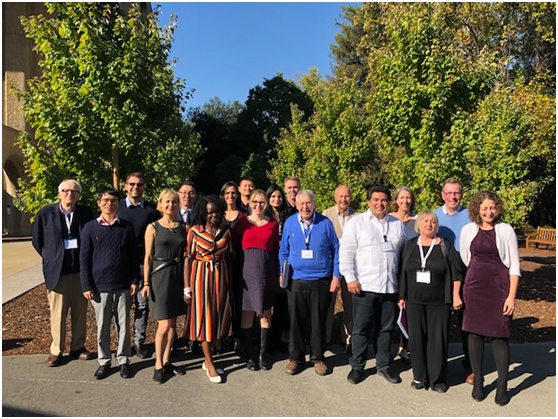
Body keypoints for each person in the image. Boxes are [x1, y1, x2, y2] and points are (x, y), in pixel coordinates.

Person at [340, 185, 406, 385]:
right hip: (364, 286)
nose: (380, 203)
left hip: (389, 287)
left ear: (389, 202)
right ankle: (357, 366)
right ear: (368, 201)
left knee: (386, 329)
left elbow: (403, 255)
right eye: (375, 200)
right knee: (361, 329)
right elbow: (346, 253)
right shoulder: (356, 223)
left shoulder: (397, 225)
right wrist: (350, 278)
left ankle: (383, 365)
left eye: (384, 200)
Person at [459, 191, 520, 406]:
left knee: (500, 336)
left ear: (497, 208)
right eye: (484, 208)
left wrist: (511, 297)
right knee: (474, 334)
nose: (488, 212)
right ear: (477, 209)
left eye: (492, 207)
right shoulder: (468, 230)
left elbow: (515, 266)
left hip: (499, 289)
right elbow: (466, 259)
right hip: (474, 288)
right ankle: (478, 380)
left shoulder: (506, 230)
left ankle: (502, 385)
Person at [398, 211, 463, 393]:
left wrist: (456, 296)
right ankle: (419, 376)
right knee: (416, 339)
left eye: (433, 222)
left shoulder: (444, 245)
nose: (429, 224)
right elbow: (402, 272)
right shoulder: (410, 245)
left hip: (439, 302)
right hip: (414, 301)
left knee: (438, 340)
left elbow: (456, 273)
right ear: (418, 225)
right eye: (425, 221)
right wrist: (401, 297)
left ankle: (437, 379)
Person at [32, 179, 95, 367]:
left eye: (74, 191)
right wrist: (51, 257)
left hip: (81, 271)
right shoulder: (45, 213)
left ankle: (78, 347)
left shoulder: (85, 213)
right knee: (58, 313)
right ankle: (56, 350)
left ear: (79, 195)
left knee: (80, 312)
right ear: (59, 193)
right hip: (58, 272)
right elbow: (37, 240)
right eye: (66, 191)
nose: (70, 194)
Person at [279, 189, 340, 376]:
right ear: (296, 205)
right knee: (296, 321)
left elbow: (336, 250)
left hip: (320, 280)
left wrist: (336, 276)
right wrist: (282, 272)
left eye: (308, 203)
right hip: (296, 280)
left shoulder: (325, 223)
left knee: (318, 321)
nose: (305, 207)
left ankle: (318, 358)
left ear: (314, 204)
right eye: (301, 203)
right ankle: (296, 358)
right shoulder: (290, 223)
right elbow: (283, 251)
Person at [80, 188, 140, 380]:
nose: (109, 204)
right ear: (99, 203)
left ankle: (123, 360)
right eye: (105, 200)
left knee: (123, 325)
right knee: (103, 326)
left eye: (113, 201)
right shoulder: (90, 228)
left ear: (118, 204)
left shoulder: (126, 227)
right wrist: (86, 285)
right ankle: (104, 361)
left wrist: (134, 280)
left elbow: (134, 257)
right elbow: (84, 259)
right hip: (99, 288)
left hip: (123, 286)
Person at [184, 195, 233, 383]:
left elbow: (228, 257)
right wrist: (186, 287)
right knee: (204, 320)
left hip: (220, 279)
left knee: (217, 319)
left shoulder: (225, 232)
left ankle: (208, 359)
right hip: (200, 279)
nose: (214, 215)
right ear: (203, 214)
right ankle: (210, 364)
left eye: (217, 212)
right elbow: (188, 258)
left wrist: (230, 285)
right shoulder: (195, 232)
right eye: (210, 212)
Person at [142, 189, 188, 384]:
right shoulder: (153, 227)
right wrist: (146, 283)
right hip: (160, 277)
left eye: (174, 202)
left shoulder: (185, 228)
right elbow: (148, 257)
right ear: (160, 204)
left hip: (178, 277)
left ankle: (167, 360)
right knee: (164, 324)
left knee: (173, 324)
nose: (171, 205)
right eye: (167, 202)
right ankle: (158, 364)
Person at [234, 189, 280, 371]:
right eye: (255, 202)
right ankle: (250, 355)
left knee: (265, 313)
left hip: (266, 273)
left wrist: (278, 273)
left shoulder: (273, 224)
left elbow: (276, 249)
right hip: (247, 273)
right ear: (250, 203)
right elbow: (233, 246)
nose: (258, 205)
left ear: (266, 203)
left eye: (261, 202)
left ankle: (262, 354)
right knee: (247, 313)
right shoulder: (242, 222)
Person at [116, 172, 160, 359]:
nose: (135, 187)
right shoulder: (116, 207)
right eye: (132, 184)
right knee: (122, 307)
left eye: (139, 184)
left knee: (142, 306)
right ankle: (122, 342)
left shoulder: (152, 210)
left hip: (143, 264)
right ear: (125, 186)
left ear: (144, 187)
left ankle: (139, 341)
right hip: (121, 265)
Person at [433, 178, 472, 383]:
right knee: (440, 324)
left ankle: (470, 366)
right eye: (449, 193)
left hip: (466, 275)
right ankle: (439, 367)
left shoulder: (471, 215)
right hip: (440, 277)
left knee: (467, 324)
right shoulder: (434, 216)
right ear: (443, 195)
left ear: (461, 195)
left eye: (456, 193)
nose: (453, 197)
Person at [322, 184, 358, 352]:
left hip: (351, 267)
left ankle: (349, 339)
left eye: (347, 196)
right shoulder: (326, 215)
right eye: (341, 196)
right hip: (332, 267)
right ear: (335, 197)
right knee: (328, 304)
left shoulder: (358, 216)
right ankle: (325, 339)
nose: (344, 199)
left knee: (350, 305)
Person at [389, 185, 418, 363]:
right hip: (390, 269)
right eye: (402, 197)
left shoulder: (418, 221)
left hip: (410, 272)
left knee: (406, 310)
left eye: (408, 197)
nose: (405, 201)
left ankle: (404, 346)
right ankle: (385, 348)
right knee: (390, 310)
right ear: (396, 200)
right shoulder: (389, 219)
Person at [220, 181, 246, 354]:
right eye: (227, 193)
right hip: (221, 262)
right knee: (222, 299)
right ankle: (222, 337)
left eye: (233, 192)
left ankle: (238, 337)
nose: (230, 196)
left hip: (240, 263)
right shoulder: (217, 214)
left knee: (237, 300)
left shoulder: (244, 216)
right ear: (223, 195)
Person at [264, 184, 291, 352]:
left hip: (285, 262)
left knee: (282, 303)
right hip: (268, 260)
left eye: (279, 196)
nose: (276, 199)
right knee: (267, 302)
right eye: (273, 196)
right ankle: (265, 340)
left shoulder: (288, 215)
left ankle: (280, 338)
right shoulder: (264, 216)